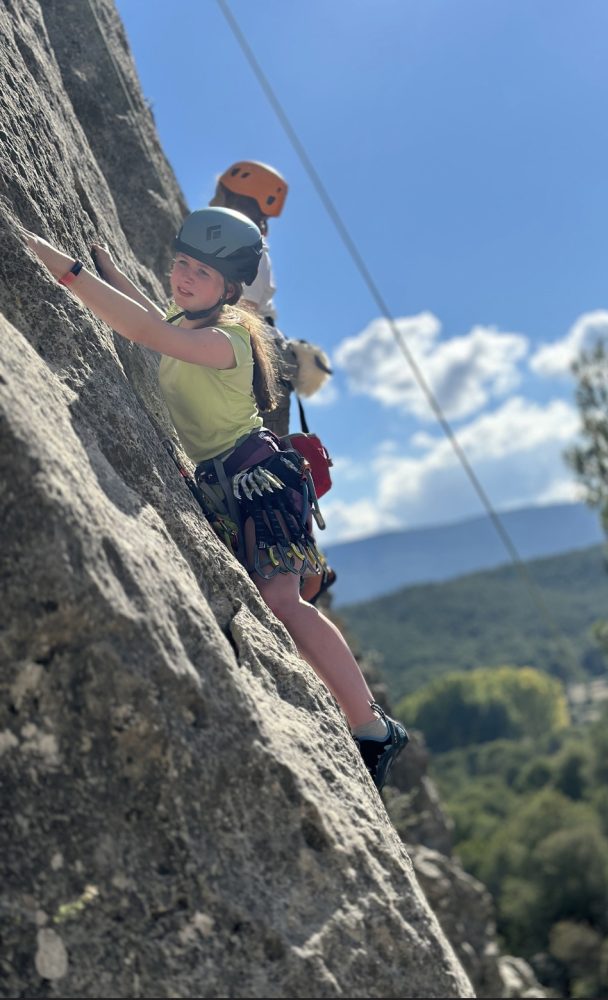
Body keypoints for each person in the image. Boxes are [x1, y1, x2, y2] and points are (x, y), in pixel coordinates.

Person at [21, 207, 408, 792]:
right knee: (277, 606)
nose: (182, 277)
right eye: (179, 264)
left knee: (284, 604)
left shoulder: (228, 341)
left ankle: (374, 728)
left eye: (199, 273)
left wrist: (63, 267)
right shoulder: (192, 324)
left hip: (260, 480)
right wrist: (109, 270)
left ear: (229, 289)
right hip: (226, 481)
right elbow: (159, 323)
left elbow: (150, 335)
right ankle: (355, 715)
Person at [211, 160, 336, 605]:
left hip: (255, 350)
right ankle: (303, 568)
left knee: (262, 465)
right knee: (272, 463)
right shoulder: (257, 243)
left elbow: (233, 303)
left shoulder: (240, 239)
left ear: (231, 192)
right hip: (268, 350)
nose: (212, 200)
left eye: (218, 191)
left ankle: (295, 573)